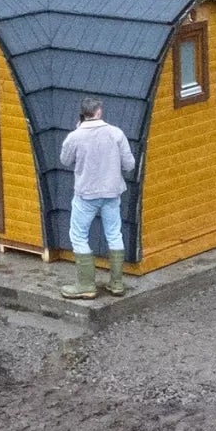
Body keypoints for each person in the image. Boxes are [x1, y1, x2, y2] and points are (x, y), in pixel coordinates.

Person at [59, 98, 134, 298]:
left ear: (83, 114)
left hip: (86, 195)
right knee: (114, 234)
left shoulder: (74, 136)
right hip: (112, 193)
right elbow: (129, 165)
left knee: (79, 235)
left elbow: (65, 160)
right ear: (99, 112)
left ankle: (86, 286)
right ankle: (117, 283)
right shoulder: (116, 133)